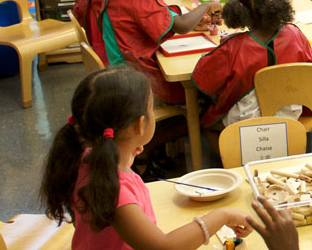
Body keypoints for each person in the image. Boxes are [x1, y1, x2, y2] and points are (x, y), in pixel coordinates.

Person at [40, 68, 252, 249]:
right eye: (152, 109)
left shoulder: (84, 159)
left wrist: (126, 154)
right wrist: (223, 215)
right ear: (140, 125)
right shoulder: (115, 191)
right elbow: (163, 247)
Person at [101, 0, 223, 104]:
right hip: (133, 76)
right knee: (201, 89)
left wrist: (194, 20)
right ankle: (190, 121)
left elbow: (155, 14)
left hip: (120, 65)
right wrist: (207, 6)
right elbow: (180, 26)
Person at [192, 0, 312, 128]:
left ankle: (230, 152)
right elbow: (308, 69)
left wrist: (205, 56)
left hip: (244, 121)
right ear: (279, 4)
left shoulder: (233, 46)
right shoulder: (296, 35)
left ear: (238, 10)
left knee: (206, 125)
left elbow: (203, 80)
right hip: (289, 116)